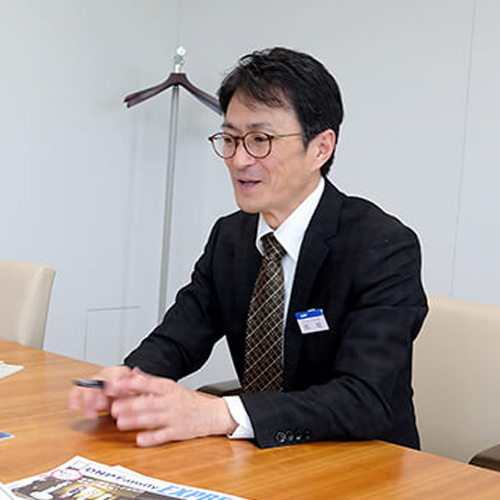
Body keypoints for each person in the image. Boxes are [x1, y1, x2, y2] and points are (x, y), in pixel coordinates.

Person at [69, 47, 428, 450]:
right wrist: (128, 379)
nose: (239, 160)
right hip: (263, 458)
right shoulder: (231, 237)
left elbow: (365, 398)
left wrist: (218, 413)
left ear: (321, 148)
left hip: (363, 461)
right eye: (230, 139)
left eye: (260, 140)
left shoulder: (382, 247)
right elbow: (180, 337)